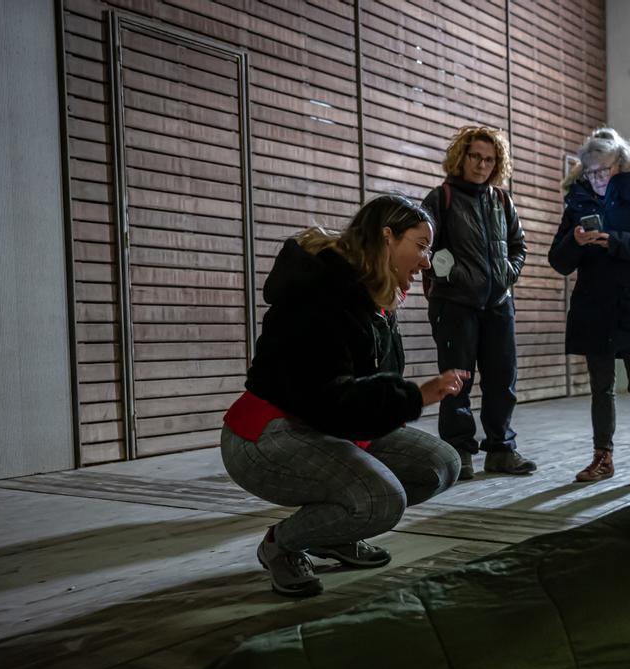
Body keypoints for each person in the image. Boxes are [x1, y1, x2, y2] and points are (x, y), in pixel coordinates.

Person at [219, 195, 469, 597]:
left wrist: (409, 397)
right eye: (421, 246)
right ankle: (281, 544)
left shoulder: (376, 300)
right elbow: (327, 400)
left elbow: (361, 393)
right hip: (267, 434)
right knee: (381, 499)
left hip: (325, 426)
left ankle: (333, 533)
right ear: (387, 237)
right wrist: (413, 397)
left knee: (440, 465)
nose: (426, 261)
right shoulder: (320, 294)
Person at [548, 128, 630, 486]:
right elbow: (559, 261)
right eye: (591, 172)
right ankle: (603, 458)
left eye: (604, 170)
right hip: (593, 305)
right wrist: (576, 240)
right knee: (600, 386)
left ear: (621, 165)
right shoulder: (577, 203)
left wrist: (616, 242)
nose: (598, 179)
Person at [421, 125, 535, 480]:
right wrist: (454, 276)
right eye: (476, 157)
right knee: (457, 382)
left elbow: (519, 246)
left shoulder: (502, 200)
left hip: (499, 303)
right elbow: (427, 246)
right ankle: (460, 453)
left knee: (503, 381)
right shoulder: (440, 198)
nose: (482, 165)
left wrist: (507, 275)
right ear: (462, 156)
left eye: (489, 159)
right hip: (454, 303)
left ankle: (501, 450)